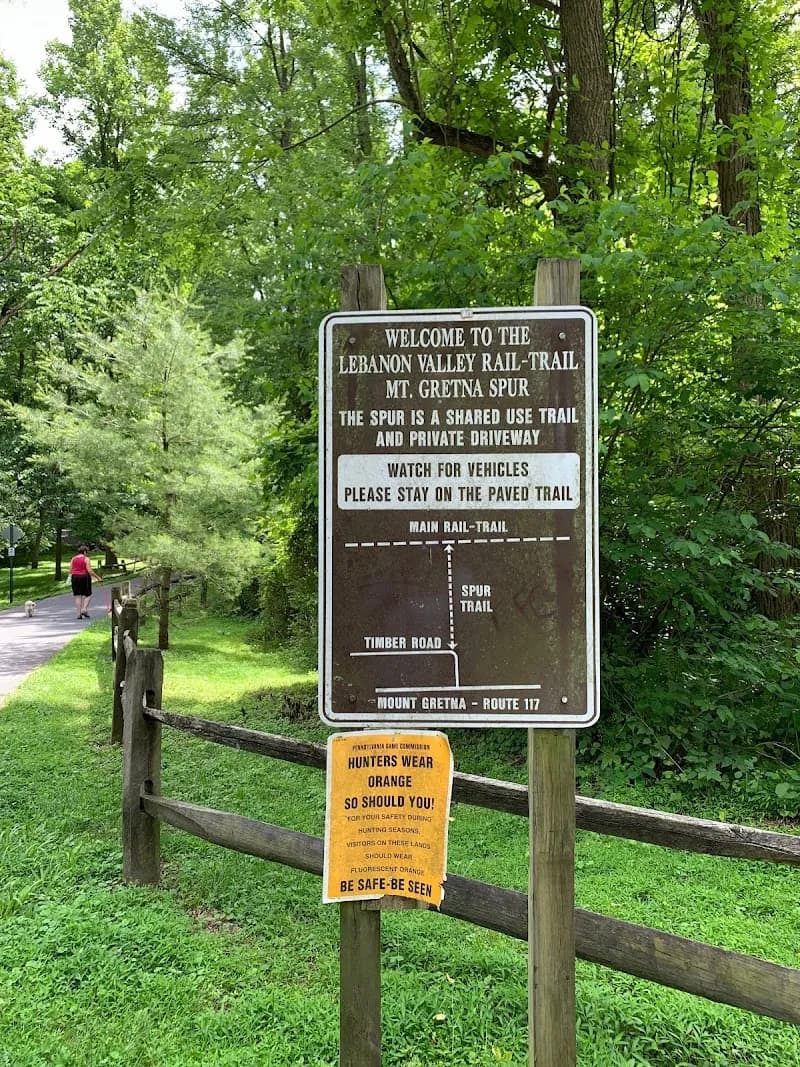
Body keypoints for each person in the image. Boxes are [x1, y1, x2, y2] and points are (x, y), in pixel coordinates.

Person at [69, 546, 101, 620]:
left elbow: (70, 570)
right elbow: (89, 570)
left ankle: (78, 614)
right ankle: (84, 609)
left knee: (77, 596)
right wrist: (97, 577)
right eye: (87, 552)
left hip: (75, 577)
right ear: (85, 552)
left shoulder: (73, 558)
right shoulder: (86, 559)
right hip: (84, 577)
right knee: (88, 594)